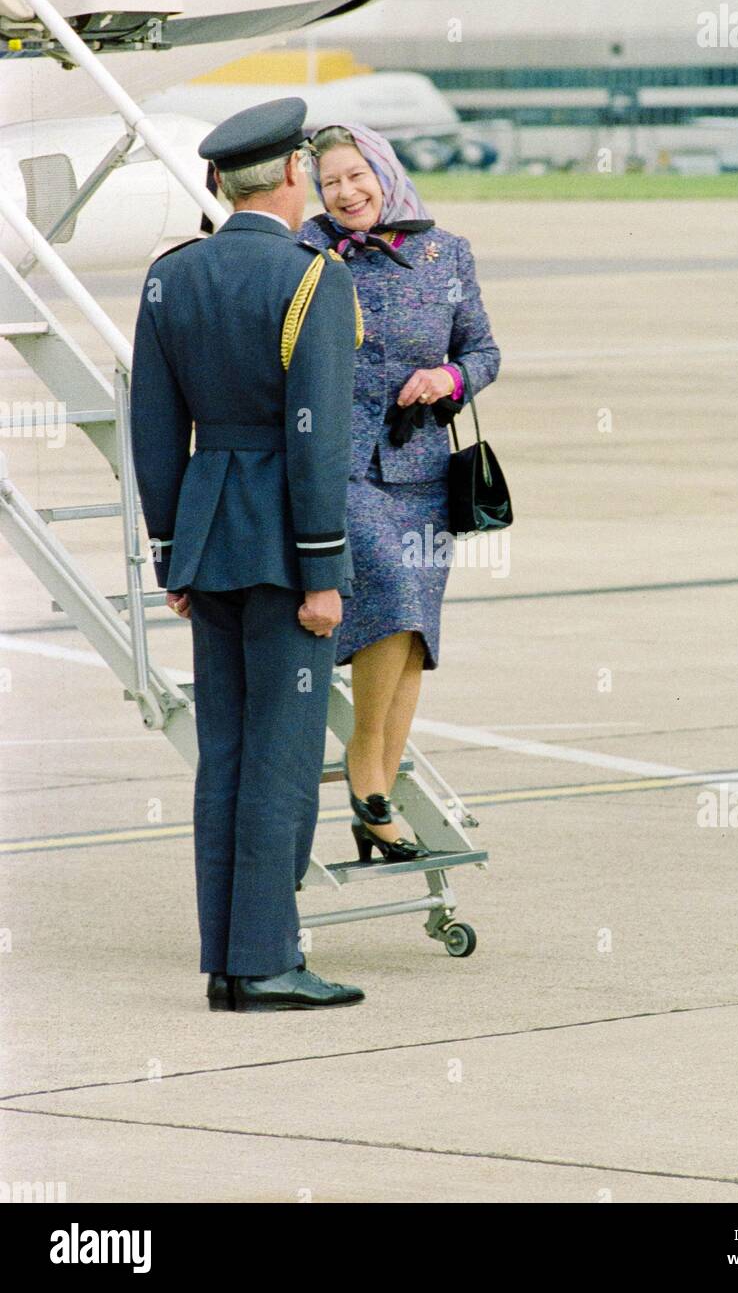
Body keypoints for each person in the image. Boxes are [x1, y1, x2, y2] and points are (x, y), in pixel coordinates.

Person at [130, 98, 366, 1014]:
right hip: (284, 545)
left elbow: (156, 429)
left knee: (224, 754)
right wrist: (323, 574)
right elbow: (317, 442)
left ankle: (229, 961)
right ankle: (266, 960)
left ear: (223, 183)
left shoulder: (172, 276)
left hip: (207, 537)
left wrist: (169, 555)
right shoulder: (314, 278)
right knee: (279, 755)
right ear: (296, 176)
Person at [298, 123, 500, 862]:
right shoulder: (307, 253)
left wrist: (447, 379)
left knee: (415, 633)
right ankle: (366, 775)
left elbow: (482, 350)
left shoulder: (447, 253)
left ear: (384, 172)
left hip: (418, 468)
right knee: (386, 595)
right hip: (339, 465)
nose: (347, 193)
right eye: (331, 183)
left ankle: (375, 795)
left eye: (358, 176)